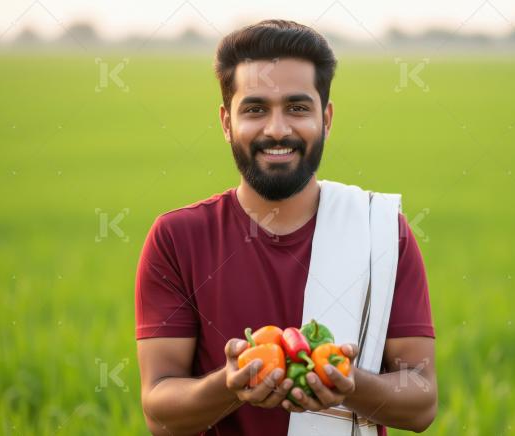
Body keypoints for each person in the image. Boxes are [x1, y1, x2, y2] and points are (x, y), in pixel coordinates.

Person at [135, 19, 437, 435]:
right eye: (255, 109)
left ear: (326, 119)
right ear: (226, 122)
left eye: (297, 108)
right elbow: (160, 413)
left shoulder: (380, 231)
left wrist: (347, 384)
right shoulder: (177, 238)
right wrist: (230, 385)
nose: (277, 129)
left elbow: (420, 401)